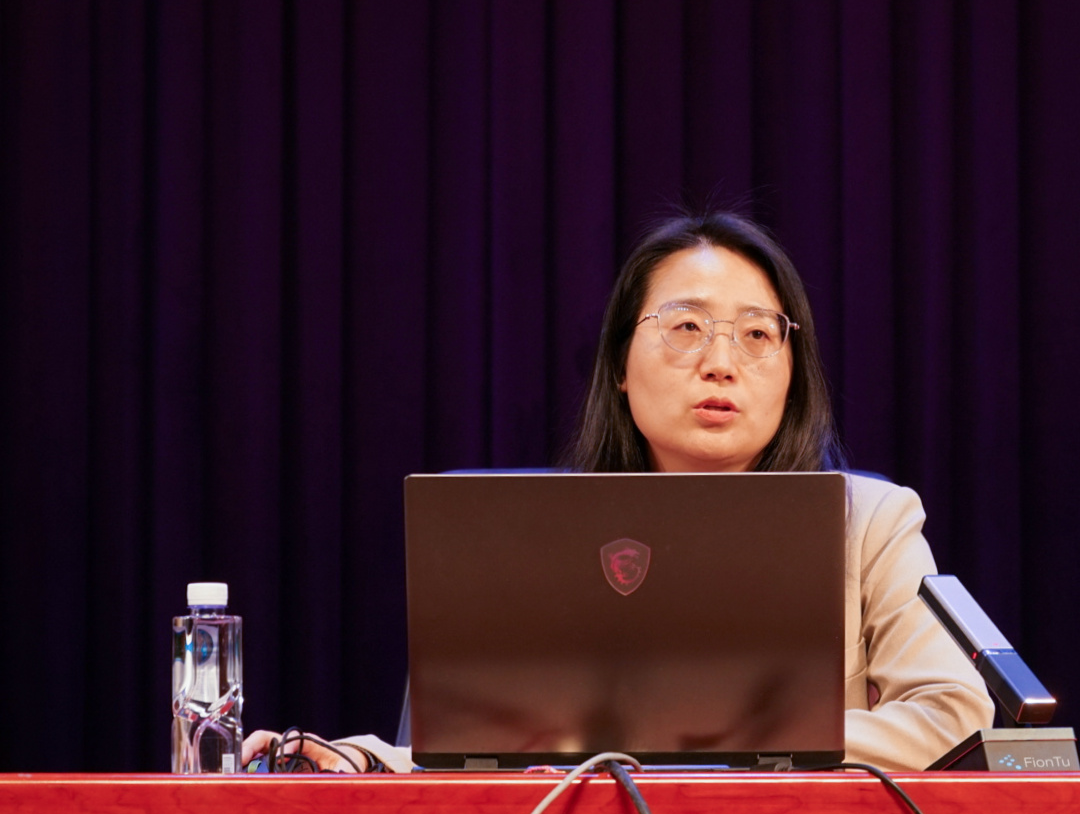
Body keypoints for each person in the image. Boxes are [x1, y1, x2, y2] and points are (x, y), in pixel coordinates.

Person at [241, 210, 993, 773]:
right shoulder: (534, 535)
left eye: (758, 334)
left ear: (794, 375)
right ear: (620, 367)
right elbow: (478, 749)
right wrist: (361, 758)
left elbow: (953, 712)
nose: (722, 362)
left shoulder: (870, 522)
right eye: (686, 327)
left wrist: (719, 742)